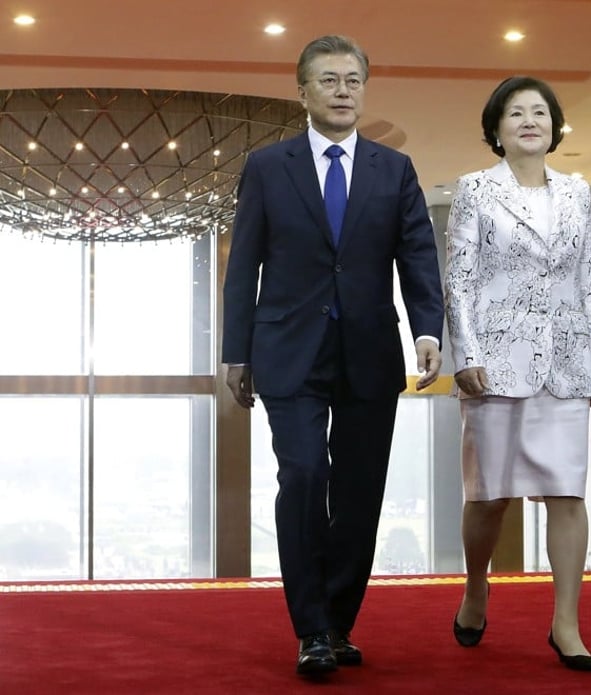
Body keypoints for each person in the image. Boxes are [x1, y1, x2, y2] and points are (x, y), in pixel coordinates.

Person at [221, 34, 444, 678]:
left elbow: (418, 255)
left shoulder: (392, 169)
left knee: (357, 492)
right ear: (304, 91)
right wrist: (237, 352)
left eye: (353, 80)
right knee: (305, 477)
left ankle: (338, 624)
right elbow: (245, 268)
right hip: (287, 350)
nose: (343, 91)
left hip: (370, 351)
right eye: (329, 80)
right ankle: (311, 627)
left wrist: (427, 328)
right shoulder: (268, 167)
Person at [443, 75, 591, 672]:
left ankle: (566, 622)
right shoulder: (475, 190)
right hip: (495, 362)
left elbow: (589, 281)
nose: (529, 121)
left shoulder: (578, 192)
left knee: (567, 491)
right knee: (489, 497)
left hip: (565, 362)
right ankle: (476, 585)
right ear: (497, 129)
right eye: (516, 113)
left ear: (555, 126)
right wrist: (465, 354)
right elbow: (460, 277)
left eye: (540, 112)